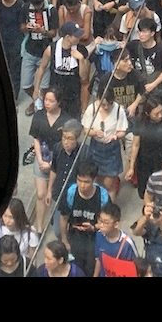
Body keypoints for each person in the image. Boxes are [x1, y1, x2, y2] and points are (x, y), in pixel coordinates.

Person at [58, 160, 110, 277]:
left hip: (96, 238)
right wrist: (65, 240)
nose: (82, 185)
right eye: (79, 180)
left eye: (86, 182)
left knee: (92, 269)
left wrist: (93, 227)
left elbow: (107, 223)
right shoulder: (71, 192)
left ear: (94, 180)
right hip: (75, 236)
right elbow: (64, 217)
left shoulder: (102, 196)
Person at [80, 85, 129, 202]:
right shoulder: (91, 109)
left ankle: (109, 208)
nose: (106, 107)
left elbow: (123, 130)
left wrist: (116, 136)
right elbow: (86, 130)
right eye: (103, 104)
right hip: (96, 148)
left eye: (109, 104)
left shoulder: (118, 110)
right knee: (95, 179)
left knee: (109, 184)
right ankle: (96, 206)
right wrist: (94, 132)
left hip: (111, 149)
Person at [29, 88, 65, 234]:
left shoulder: (65, 119)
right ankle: (39, 225)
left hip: (56, 158)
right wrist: (39, 159)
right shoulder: (39, 116)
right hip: (41, 156)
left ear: (58, 102)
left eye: (51, 101)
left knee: (53, 193)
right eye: (46, 100)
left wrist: (52, 164)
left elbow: (64, 143)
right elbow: (36, 138)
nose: (47, 103)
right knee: (40, 194)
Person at [92, 200, 138, 276]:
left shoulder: (127, 244)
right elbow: (98, 260)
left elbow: (135, 268)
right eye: (100, 221)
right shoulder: (99, 235)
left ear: (116, 224)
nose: (101, 225)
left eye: (106, 222)